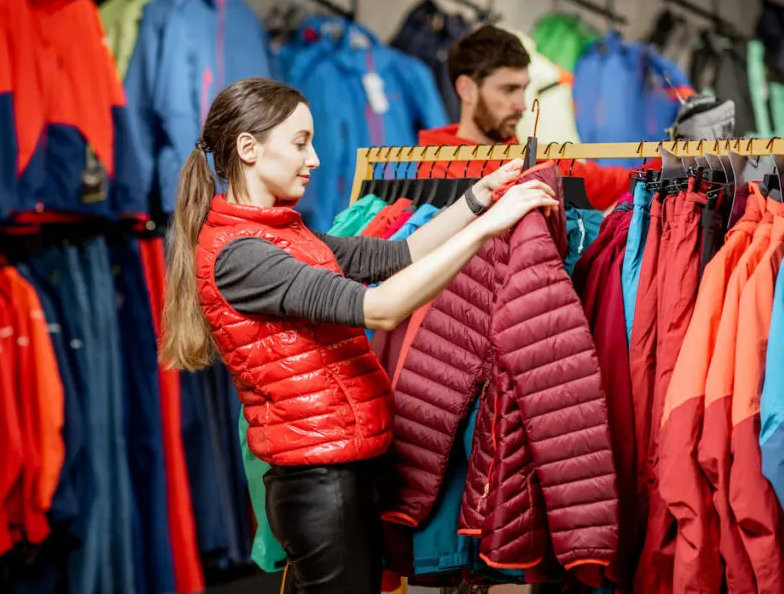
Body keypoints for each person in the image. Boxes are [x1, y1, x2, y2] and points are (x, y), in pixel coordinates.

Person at [160, 77, 559, 593]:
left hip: (340, 476)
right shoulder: (243, 255)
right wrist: (488, 229)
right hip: (319, 487)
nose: (316, 159)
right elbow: (384, 307)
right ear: (248, 148)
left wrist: (477, 201)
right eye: (301, 142)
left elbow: (396, 255)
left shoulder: (281, 233)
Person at [419, 24, 656, 210]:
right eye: (508, 89)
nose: (522, 105)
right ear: (466, 89)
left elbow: (618, 182)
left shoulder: (541, 164)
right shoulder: (429, 176)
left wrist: (678, 158)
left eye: (524, 89)